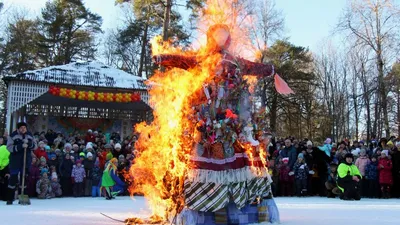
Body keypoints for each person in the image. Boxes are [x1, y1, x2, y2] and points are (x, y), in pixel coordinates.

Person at [6, 122, 37, 205]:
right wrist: (20, 146)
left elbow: (35, 146)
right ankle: (10, 198)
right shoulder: (13, 135)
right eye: (21, 128)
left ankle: (22, 197)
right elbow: (9, 148)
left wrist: (29, 144)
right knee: (13, 179)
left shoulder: (30, 135)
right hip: (15, 161)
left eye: (24, 128)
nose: (23, 129)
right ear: (18, 128)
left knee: (24, 179)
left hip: (26, 160)